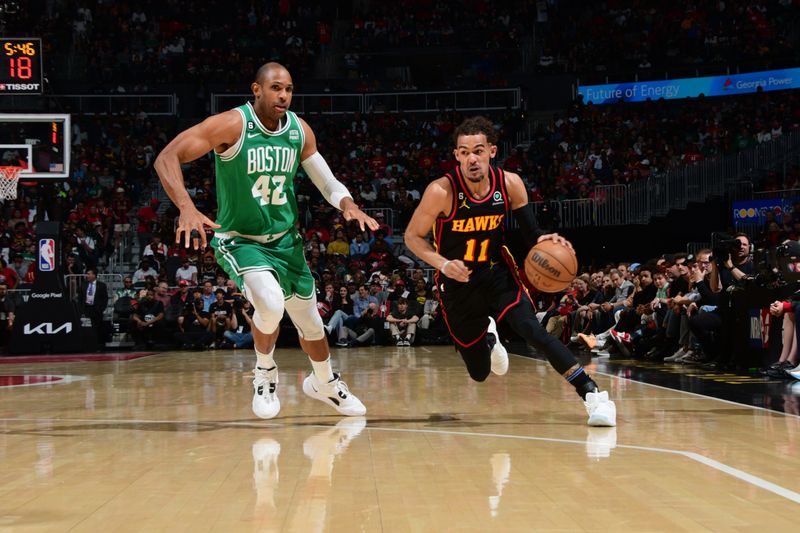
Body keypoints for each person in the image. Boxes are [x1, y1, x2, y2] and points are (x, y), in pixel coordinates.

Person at [155, 61, 374, 419]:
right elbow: (167, 157)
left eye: (288, 89)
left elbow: (326, 180)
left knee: (312, 325)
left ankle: (325, 383)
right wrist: (186, 206)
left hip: (286, 242)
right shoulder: (232, 124)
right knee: (270, 304)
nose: (283, 95)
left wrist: (347, 204)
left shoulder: (299, 131)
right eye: (275, 88)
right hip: (241, 239)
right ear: (256, 90)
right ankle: (264, 374)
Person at [404, 116, 616, 426]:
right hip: (457, 284)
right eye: (464, 152)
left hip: (497, 273)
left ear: (491, 150)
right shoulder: (441, 191)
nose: (471, 158)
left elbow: (532, 235)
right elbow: (412, 237)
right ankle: (489, 339)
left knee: (534, 331)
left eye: (478, 150)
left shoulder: (510, 184)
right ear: (457, 156)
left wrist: (545, 241)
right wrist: (443, 263)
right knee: (479, 373)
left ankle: (592, 394)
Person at [80, 269, 108, 349]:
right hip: (86, 309)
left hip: (97, 309)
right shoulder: (83, 284)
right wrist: (81, 309)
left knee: (98, 328)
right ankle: (88, 345)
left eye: (89, 274)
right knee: (87, 328)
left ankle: (99, 345)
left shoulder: (102, 285)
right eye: (87, 274)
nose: (87, 276)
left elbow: (105, 298)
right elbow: (80, 298)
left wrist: (101, 309)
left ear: (94, 275)